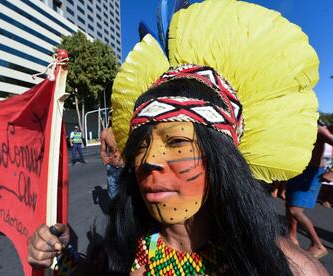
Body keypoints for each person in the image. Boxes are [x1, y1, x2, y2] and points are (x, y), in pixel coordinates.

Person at [27, 0, 328, 274]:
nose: (149, 161)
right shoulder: (125, 251)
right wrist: (59, 256)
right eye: (141, 145)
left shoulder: (291, 269)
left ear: (222, 159)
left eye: (177, 142)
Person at [286, 122, 333, 259]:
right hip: (299, 169)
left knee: (295, 210)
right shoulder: (303, 125)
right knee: (289, 204)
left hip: (310, 173)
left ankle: (317, 245)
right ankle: (292, 237)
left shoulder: (318, 128)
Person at [100, 117, 124, 199]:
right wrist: (103, 157)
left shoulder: (126, 130)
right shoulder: (105, 133)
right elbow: (103, 151)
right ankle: (115, 211)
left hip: (125, 168)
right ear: (110, 118)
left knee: (126, 194)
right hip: (112, 168)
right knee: (113, 195)